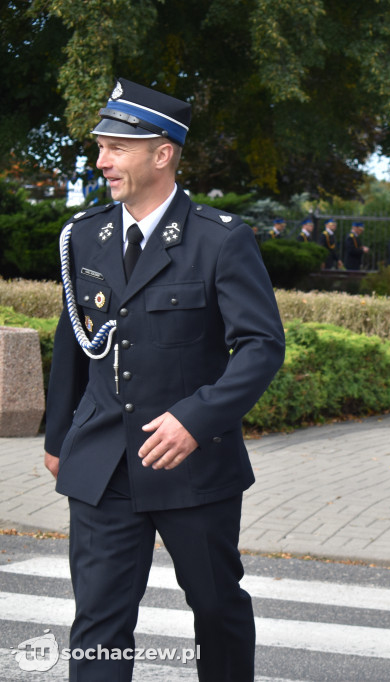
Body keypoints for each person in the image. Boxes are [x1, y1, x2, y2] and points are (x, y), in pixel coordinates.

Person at [43, 78, 285, 681]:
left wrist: (196, 419)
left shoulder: (220, 239)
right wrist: (57, 438)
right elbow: (74, 336)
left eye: (116, 149)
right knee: (98, 622)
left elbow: (260, 346)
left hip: (192, 466)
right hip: (102, 464)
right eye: (101, 147)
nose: (102, 161)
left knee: (217, 609)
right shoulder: (86, 236)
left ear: (162, 153)